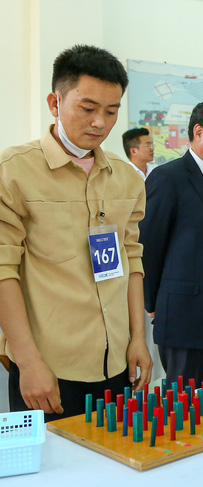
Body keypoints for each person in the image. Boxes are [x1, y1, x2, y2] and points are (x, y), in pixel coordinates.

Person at [0, 45, 151, 419]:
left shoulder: (127, 178)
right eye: (87, 108)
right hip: (50, 366)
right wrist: (28, 361)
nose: (99, 122)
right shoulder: (14, 171)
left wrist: (137, 339)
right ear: (55, 102)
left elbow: (132, 259)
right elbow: (3, 271)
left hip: (116, 362)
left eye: (111, 111)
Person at [139, 100, 203, 386]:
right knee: (185, 409)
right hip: (184, 316)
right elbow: (149, 246)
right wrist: (153, 302)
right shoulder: (167, 178)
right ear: (199, 132)